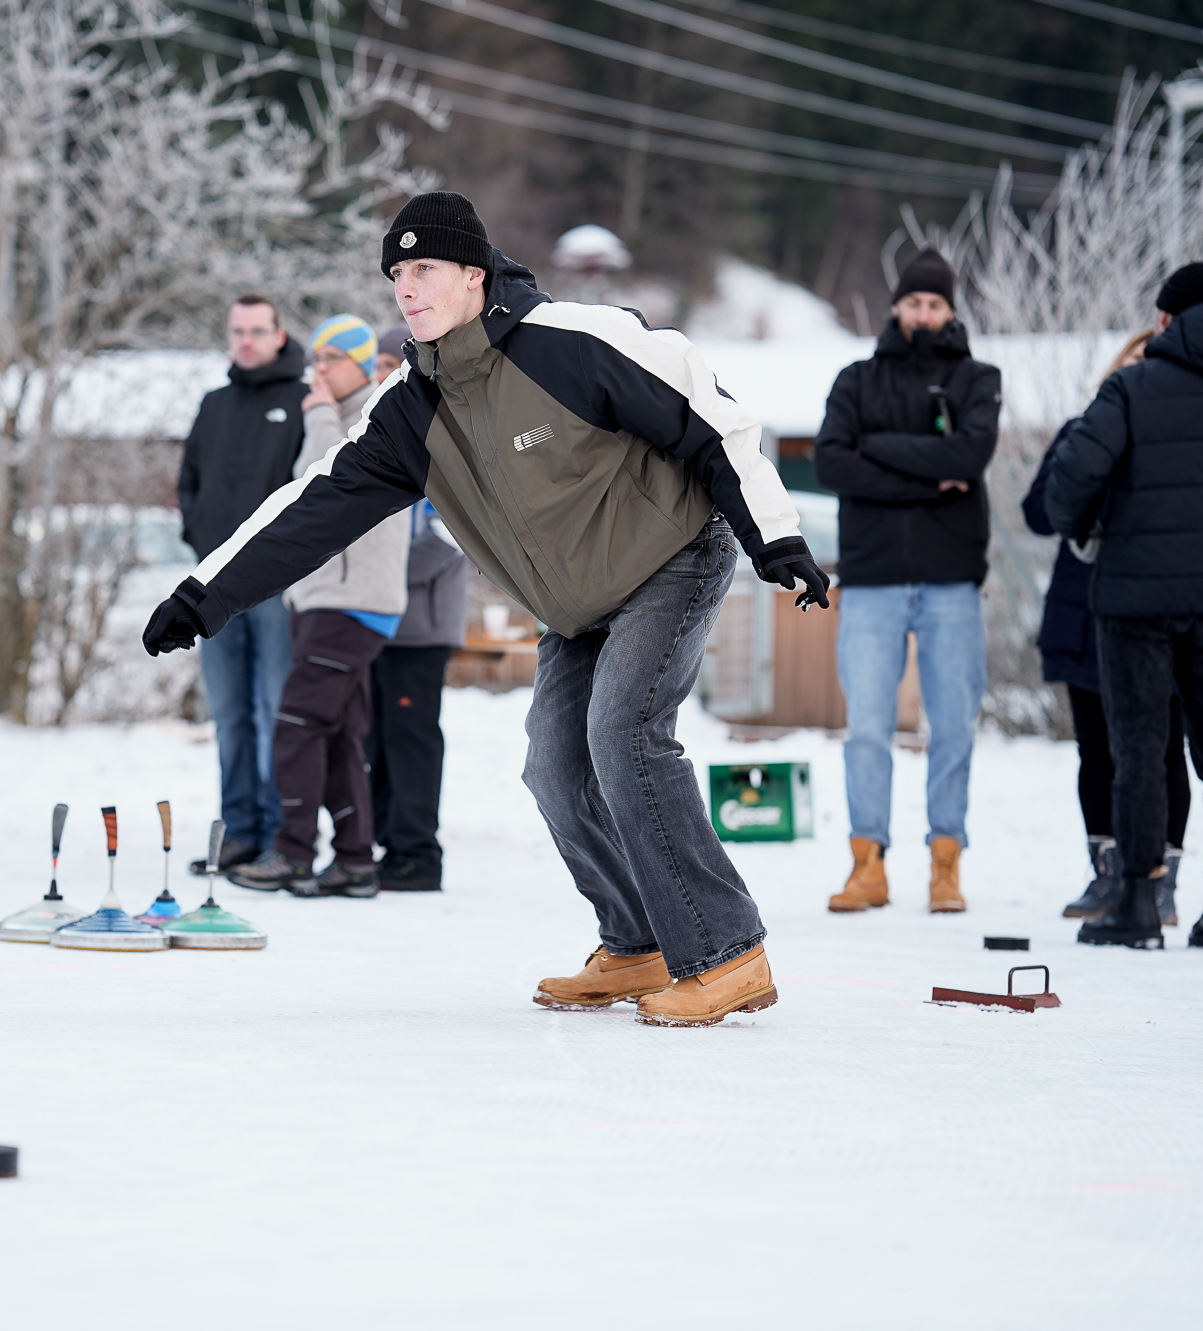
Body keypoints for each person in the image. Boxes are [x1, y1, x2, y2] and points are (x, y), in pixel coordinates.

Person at [144, 191, 827, 1027]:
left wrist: (775, 535)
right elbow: (310, 507)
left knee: (623, 733)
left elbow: (708, 411)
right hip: (576, 605)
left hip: (671, 556)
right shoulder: (409, 410)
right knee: (554, 765)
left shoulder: (570, 341)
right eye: (396, 273)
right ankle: (638, 943)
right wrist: (203, 595)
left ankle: (727, 952)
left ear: (474, 273)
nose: (406, 287)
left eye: (423, 267)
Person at [1046, 262, 1203, 950]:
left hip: (1134, 600)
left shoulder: (1130, 387)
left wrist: (1085, 526)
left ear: (1164, 318)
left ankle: (1137, 901)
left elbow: (1069, 482)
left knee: (1139, 748)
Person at [812, 247, 1001, 916]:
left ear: (950, 311)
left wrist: (879, 448)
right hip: (872, 577)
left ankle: (945, 863)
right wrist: (929, 475)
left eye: (935, 304)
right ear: (896, 307)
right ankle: (868, 863)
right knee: (867, 726)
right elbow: (831, 462)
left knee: (952, 727)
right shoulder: (856, 380)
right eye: (914, 302)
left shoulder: (977, 378)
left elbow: (969, 455)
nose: (923, 313)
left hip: (952, 579)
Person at [229, 314, 408, 897]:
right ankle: (355, 860)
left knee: (296, 727)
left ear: (361, 364)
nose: (319, 372)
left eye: (331, 360)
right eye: (315, 361)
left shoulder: (376, 416)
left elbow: (324, 481)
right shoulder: (342, 415)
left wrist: (320, 413)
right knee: (336, 733)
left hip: (349, 602)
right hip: (327, 600)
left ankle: (293, 852)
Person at [1022, 329, 1192, 927]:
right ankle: (1108, 873)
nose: (1141, 369)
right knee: (1095, 751)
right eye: (1133, 358)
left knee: (1165, 748)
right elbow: (1037, 512)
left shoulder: (1181, 437)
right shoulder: (1079, 430)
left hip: (1158, 611)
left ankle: (1160, 881)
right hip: (1084, 609)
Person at [175, 294, 307, 873]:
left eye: (257, 330)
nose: (246, 341)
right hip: (214, 588)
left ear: (279, 335)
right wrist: (200, 542)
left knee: (273, 708)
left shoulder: (302, 401)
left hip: (275, 587)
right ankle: (238, 831)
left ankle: (280, 835)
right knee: (229, 713)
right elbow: (189, 481)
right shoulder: (214, 404)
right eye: (237, 331)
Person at [364, 328, 468, 892]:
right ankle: (386, 845)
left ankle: (417, 854)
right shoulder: (383, 434)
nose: (383, 373)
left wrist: (378, 575)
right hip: (375, 619)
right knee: (375, 740)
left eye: (392, 362)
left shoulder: (446, 435)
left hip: (420, 625)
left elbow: (449, 535)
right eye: (377, 363)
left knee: (411, 740)